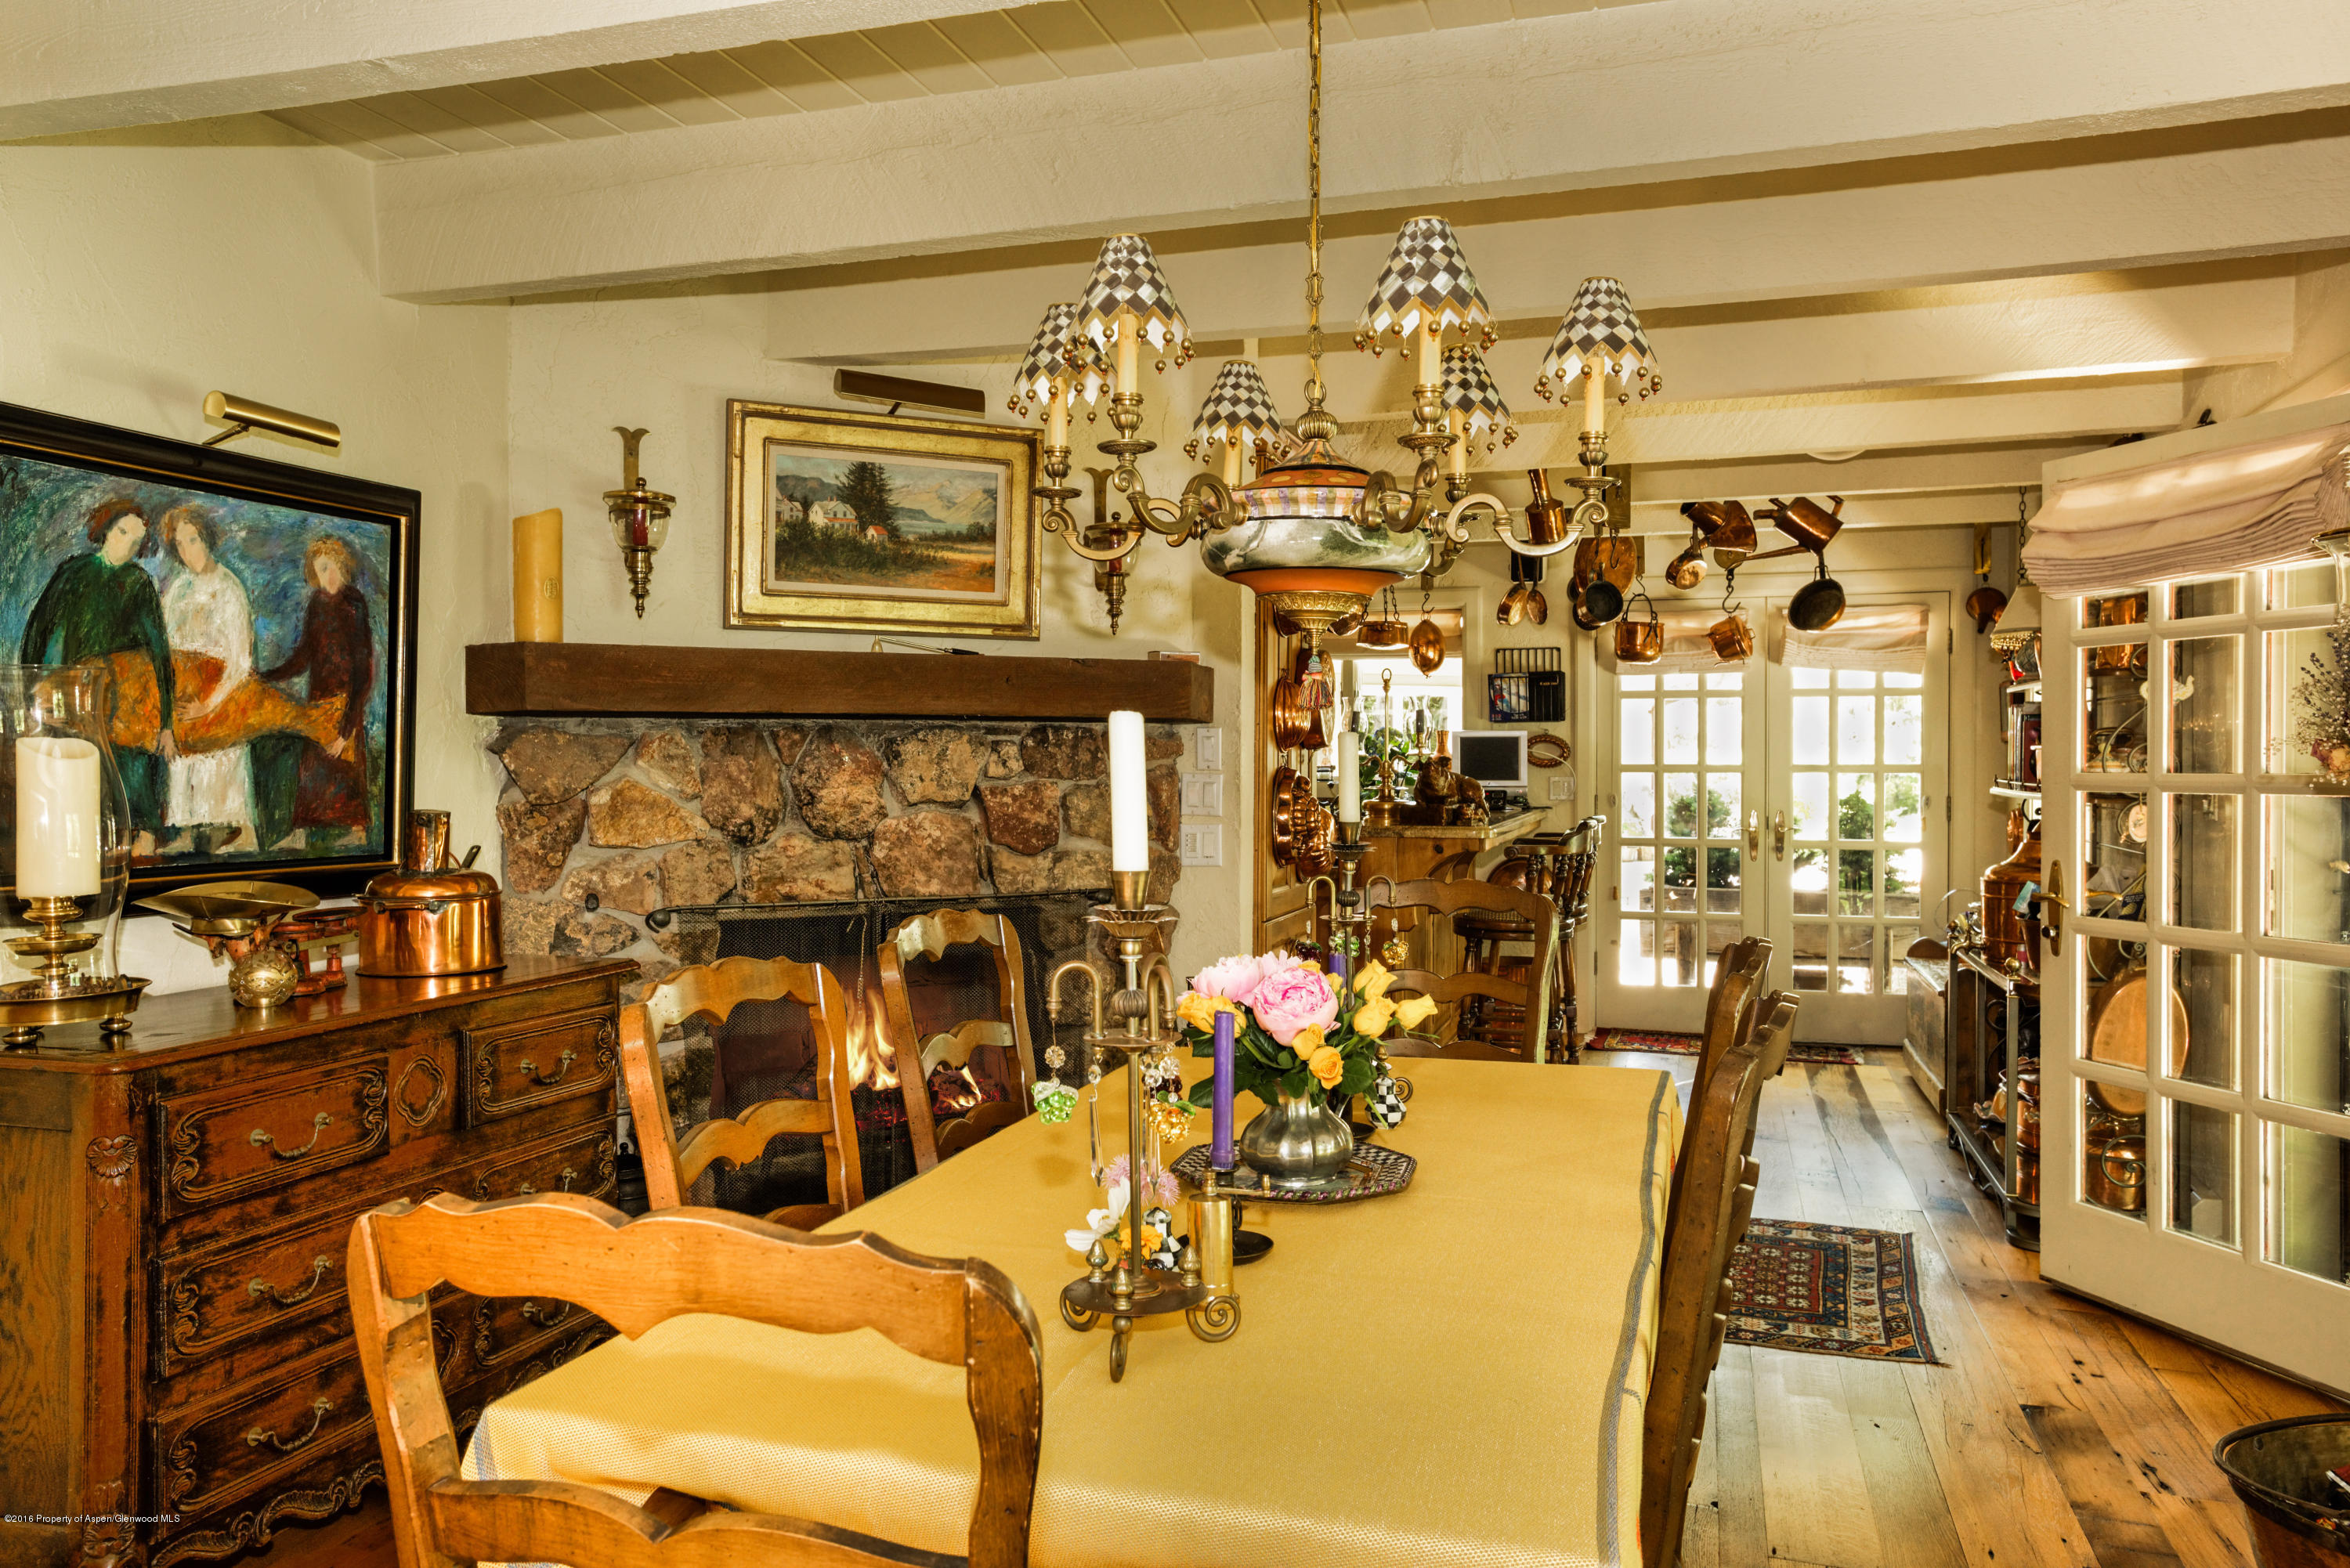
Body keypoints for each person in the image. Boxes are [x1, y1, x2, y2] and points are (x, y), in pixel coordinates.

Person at [18, 497, 172, 854]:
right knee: (84, 765)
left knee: (132, 763)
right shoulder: (73, 573)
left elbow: (160, 652)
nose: (128, 545)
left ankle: (143, 836)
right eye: (122, 532)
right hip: (80, 693)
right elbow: (38, 630)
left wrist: (166, 723)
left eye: (136, 541)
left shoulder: (139, 583)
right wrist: (32, 690)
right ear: (105, 529)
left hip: (129, 696)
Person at [258, 535, 372, 849]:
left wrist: (347, 728)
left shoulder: (355, 604)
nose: (329, 575)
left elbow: (364, 671)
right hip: (318, 700)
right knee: (312, 769)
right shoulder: (317, 605)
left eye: (333, 567)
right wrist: (267, 676)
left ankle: (358, 830)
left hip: (346, 703)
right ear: (314, 574)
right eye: (322, 569)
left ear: (343, 567)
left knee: (346, 764)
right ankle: (301, 833)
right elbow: (303, 656)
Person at [159, 504, 257, 854]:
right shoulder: (176, 592)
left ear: (207, 539)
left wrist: (209, 705)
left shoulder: (230, 590)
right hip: (185, 708)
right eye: (179, 545)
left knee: (222, 798)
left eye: (193, 540)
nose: (187, 551)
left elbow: (240, 664)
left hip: (220, 706)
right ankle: (187, 846)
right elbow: (166, 660)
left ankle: (234, 849)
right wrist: (167, 722)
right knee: (185, 793)